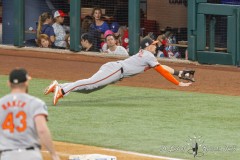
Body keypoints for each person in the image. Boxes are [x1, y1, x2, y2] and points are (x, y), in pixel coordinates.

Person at [44, 37, 193, 106]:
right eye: (154, 44)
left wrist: (178, 73)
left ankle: (59, 86)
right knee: (90, 83)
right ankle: (62, 91)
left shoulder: (147, 56)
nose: (156, 46)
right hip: (115, 70)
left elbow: (162, 67)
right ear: (148, 46)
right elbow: (162, 71)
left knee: (89, 89)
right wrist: (177, 83)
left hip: (115, 70)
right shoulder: (148, 55)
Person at [0, 68, 60, 160]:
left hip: (7, 156)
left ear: (8, 83)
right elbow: (42, 130)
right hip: (30, 155)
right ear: (26, 82)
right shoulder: (36, 103)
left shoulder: (1, 103)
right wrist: (53, 154)